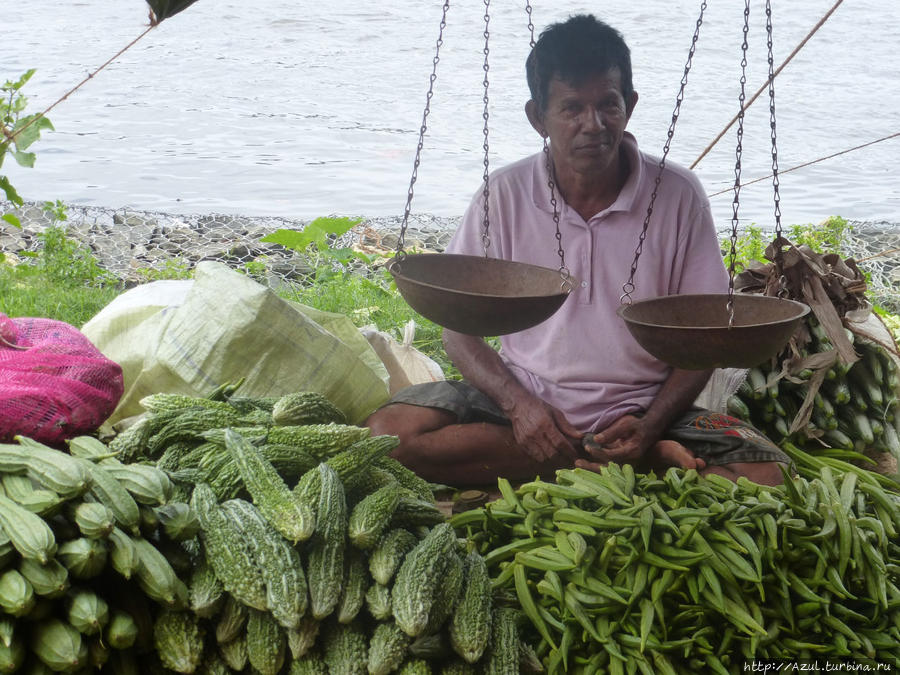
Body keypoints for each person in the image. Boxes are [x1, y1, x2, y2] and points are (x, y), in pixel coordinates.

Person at [366, 14, 790, 487]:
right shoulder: (502, 195)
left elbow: (707, 338)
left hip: (644, 411)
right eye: (571, 109)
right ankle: (619, 466)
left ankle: (615, 456)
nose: (593, 125)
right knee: (388, 437)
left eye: (607, 104)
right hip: (523, 408)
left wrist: (650, 426)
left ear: (628, 105)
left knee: (766, 475)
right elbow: (458, 333)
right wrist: (520, 407)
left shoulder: (678, 195)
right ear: (538, 118)